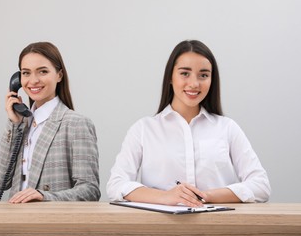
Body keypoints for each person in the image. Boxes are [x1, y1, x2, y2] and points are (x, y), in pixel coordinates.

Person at [106, 40, 271, 207]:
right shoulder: (143, 129)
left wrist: (204, 196)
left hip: (218, 227)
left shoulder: (227, 128)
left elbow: (261, 186)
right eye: (185, 73)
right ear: (170, 77)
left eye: (204, 75)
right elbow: (116, 185)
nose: (194, 84)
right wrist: (165, 197)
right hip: (159, 228)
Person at [0, 41, 100, 203]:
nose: (33, 80)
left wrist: (44, 196)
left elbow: (90, 191)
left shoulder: (76, 124)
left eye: (42, 71)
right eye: (26, 73)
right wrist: (13, 124)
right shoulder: (21, 124)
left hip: (51, 223)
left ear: (59, 75)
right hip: (15, 221)